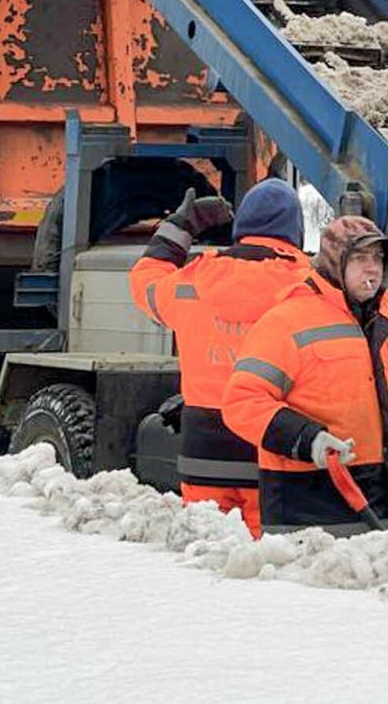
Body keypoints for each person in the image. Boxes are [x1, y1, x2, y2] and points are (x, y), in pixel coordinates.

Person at [221, 216, 388, 535]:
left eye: (378, 258)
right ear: (335, 262)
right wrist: (307, 440)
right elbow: (242, 402)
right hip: (311, 519)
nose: (372, 268)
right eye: (360, 258)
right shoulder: (287, 322)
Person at [129, 178, 312, 537]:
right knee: (272, 566)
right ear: (297, 231)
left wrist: (180, 228)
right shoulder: (309, 288)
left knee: (206, 557)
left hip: (203, 455)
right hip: (274, 458)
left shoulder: (192, 282)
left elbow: (144, 282)